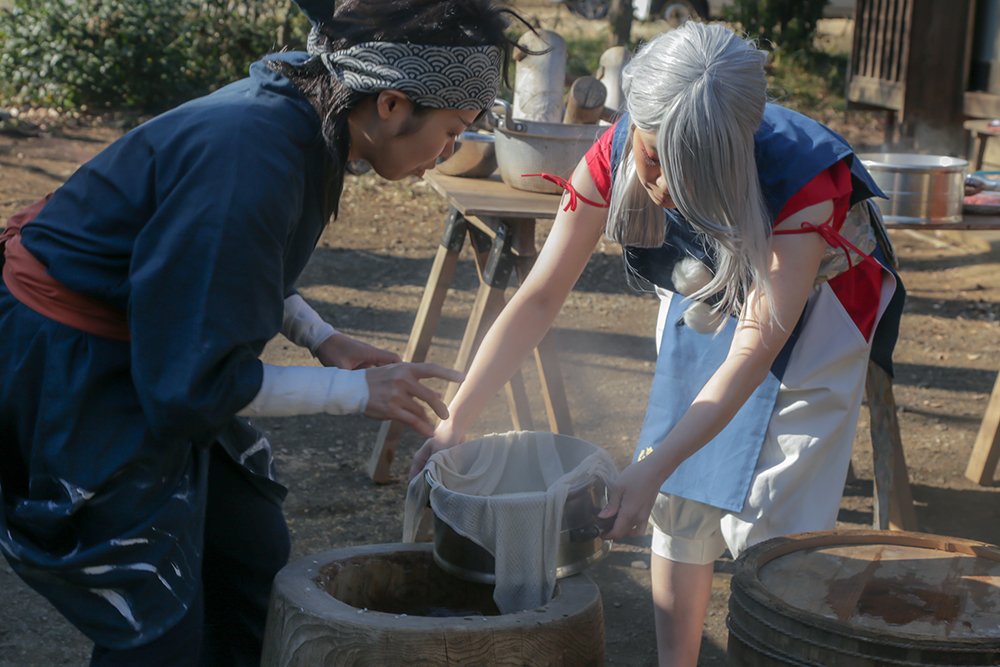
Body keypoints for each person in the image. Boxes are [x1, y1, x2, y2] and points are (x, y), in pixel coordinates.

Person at [0, 1, 527, 664]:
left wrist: (320, 336)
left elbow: (229, 267)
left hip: (151, 337)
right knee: (151, 618)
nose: (449, 153)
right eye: (453, 130)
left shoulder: (313, 111)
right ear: (392, 104)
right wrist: (354, 393)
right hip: (69, 358)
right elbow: (193, 384)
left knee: (247, 547)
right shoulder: (251, 154)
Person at [410, 21, 904, 667]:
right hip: (703, 285)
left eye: (691, 168)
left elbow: (757, 343)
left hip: (820, 308)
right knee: (678, 500)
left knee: (775, 517)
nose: (665, 184)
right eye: (653, 159)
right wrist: (458, 417)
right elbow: (540, 295)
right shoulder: (617, 145)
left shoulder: (801, 173)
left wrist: (652, 465)